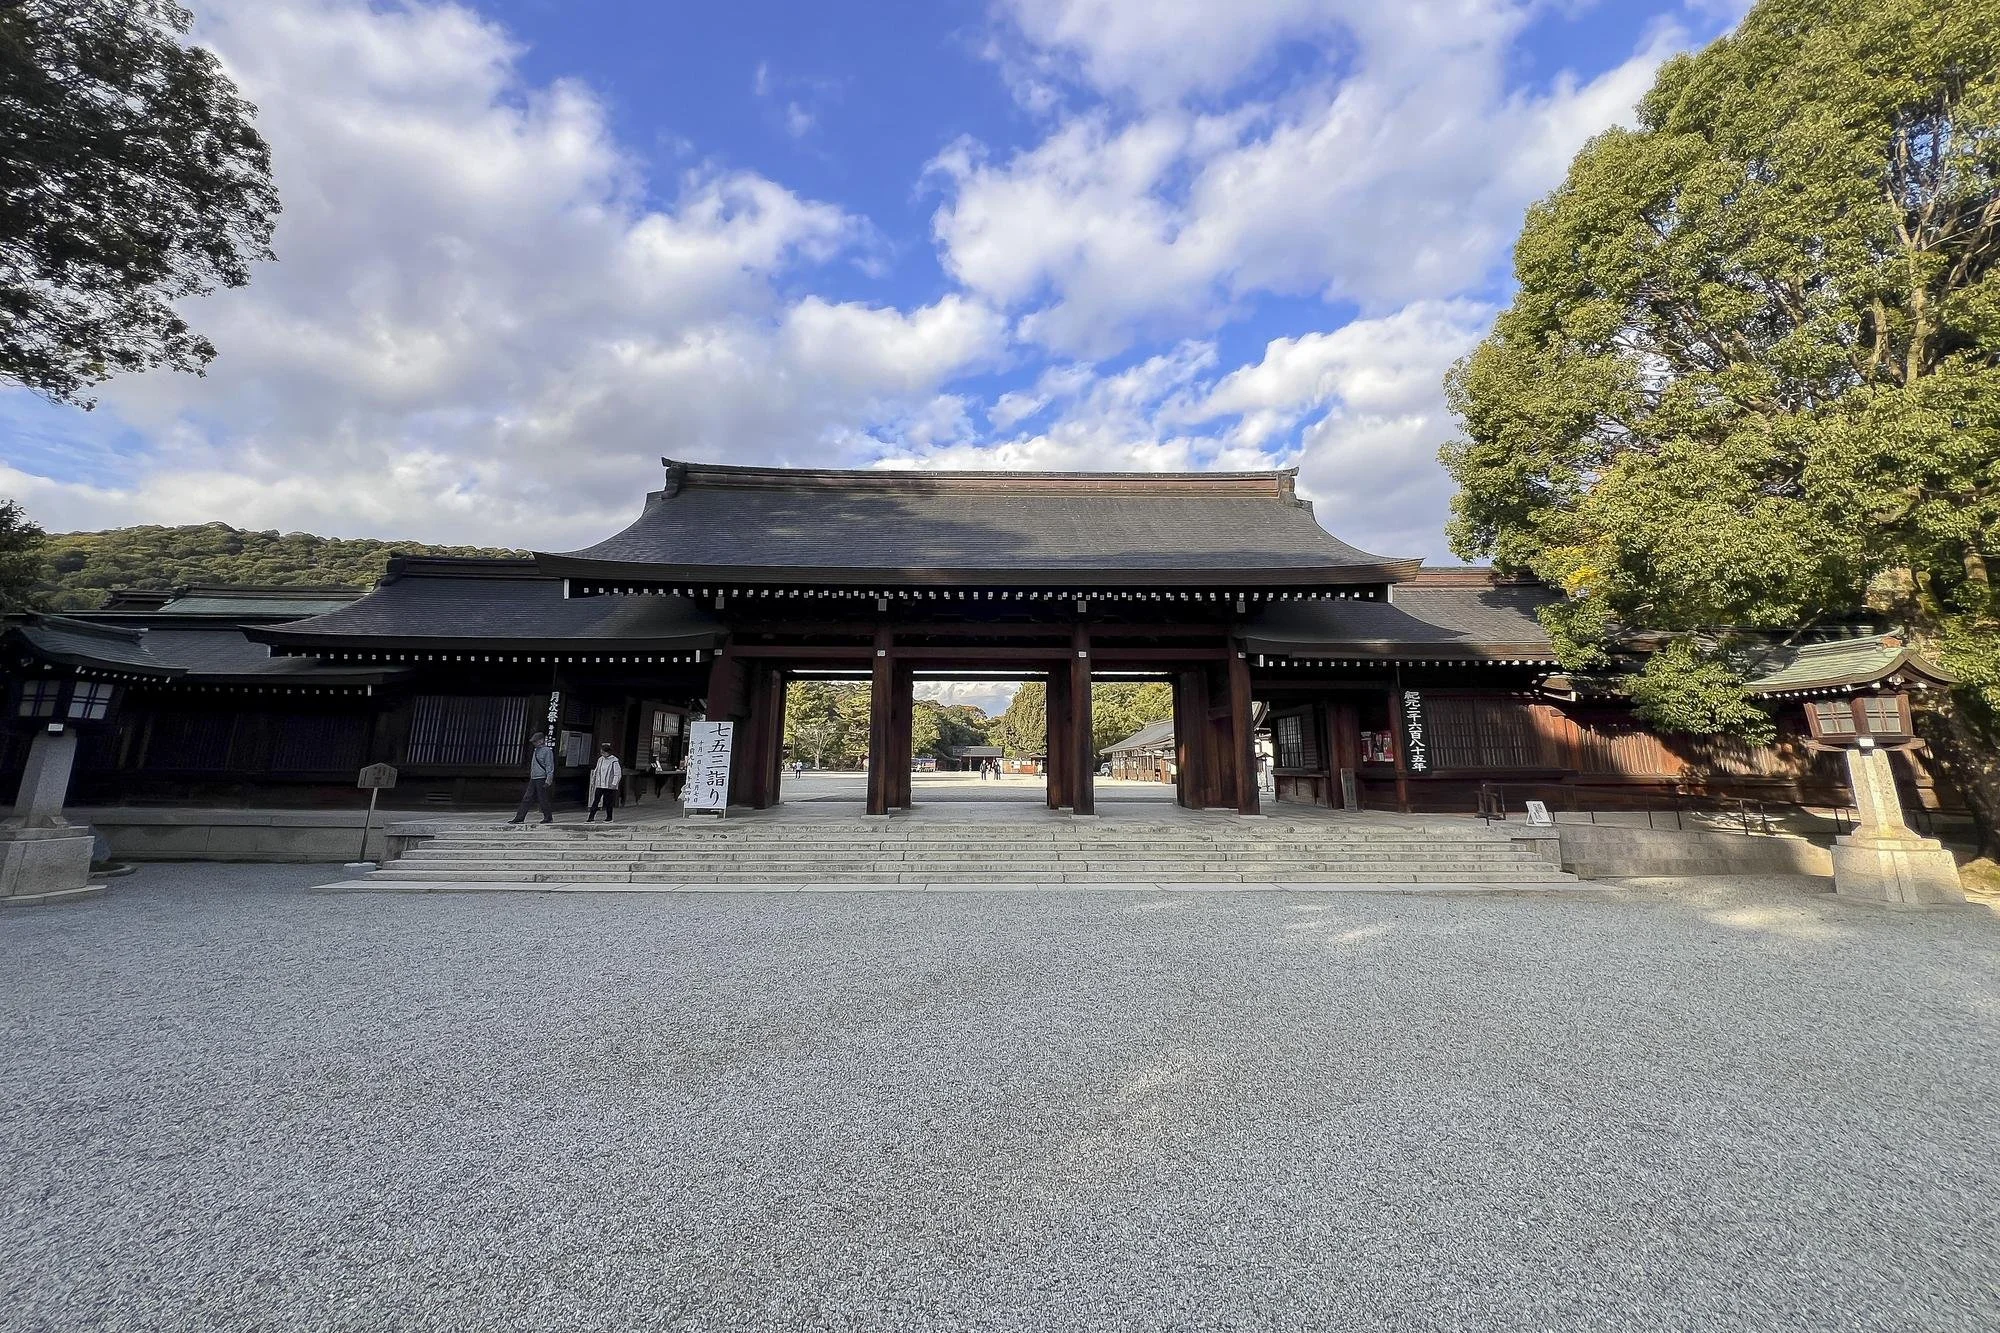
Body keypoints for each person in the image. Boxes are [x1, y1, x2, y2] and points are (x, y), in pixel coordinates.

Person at [507, 732, 556, 825]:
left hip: (542, 777)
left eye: (536, 741)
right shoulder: (536, 750)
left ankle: (548, 817)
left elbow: (550, 766)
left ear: (541, 740)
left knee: (542, 798)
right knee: (527, 797)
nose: (534, 743)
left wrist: (548, 780)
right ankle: (519, 817)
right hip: (534, 777)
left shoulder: (547, 751)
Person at [587, 743, 623, 822]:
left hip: (609, 785)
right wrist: (594, 780)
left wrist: (614, 784)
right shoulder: (600, 759)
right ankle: (591, 817)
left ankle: (609, 818)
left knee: (608, 802)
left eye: (603, 751)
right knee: (596, 800)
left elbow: (617, 773)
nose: (601, 753)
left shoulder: (614, 761)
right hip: (600, 784)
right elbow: (597, 770)